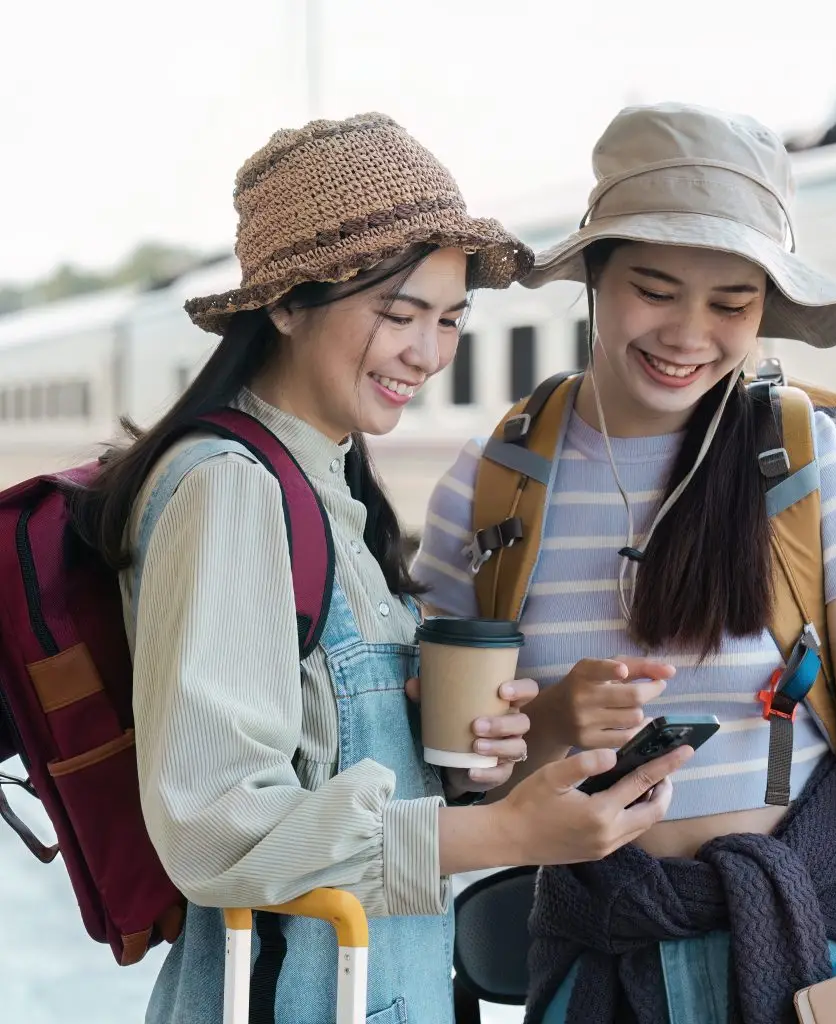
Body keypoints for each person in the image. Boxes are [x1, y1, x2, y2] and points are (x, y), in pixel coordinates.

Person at [66, 114, 690, 1024]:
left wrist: (535, 733)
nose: (427, 354)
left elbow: (349, 769)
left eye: (449, 321)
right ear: (284, 304)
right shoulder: (230, 491)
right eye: (397, 315)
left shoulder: (330, 486)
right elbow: (212, 824)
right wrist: (504, 832)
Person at [412, 103, 836, 1024]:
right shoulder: (493, 492)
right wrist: (557, 720)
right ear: (594, 273)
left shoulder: (809, 474)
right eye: (655, 287)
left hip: (821, 960)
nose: (688, 334)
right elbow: (459, 782)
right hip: (598, 971)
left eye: (733, 304)